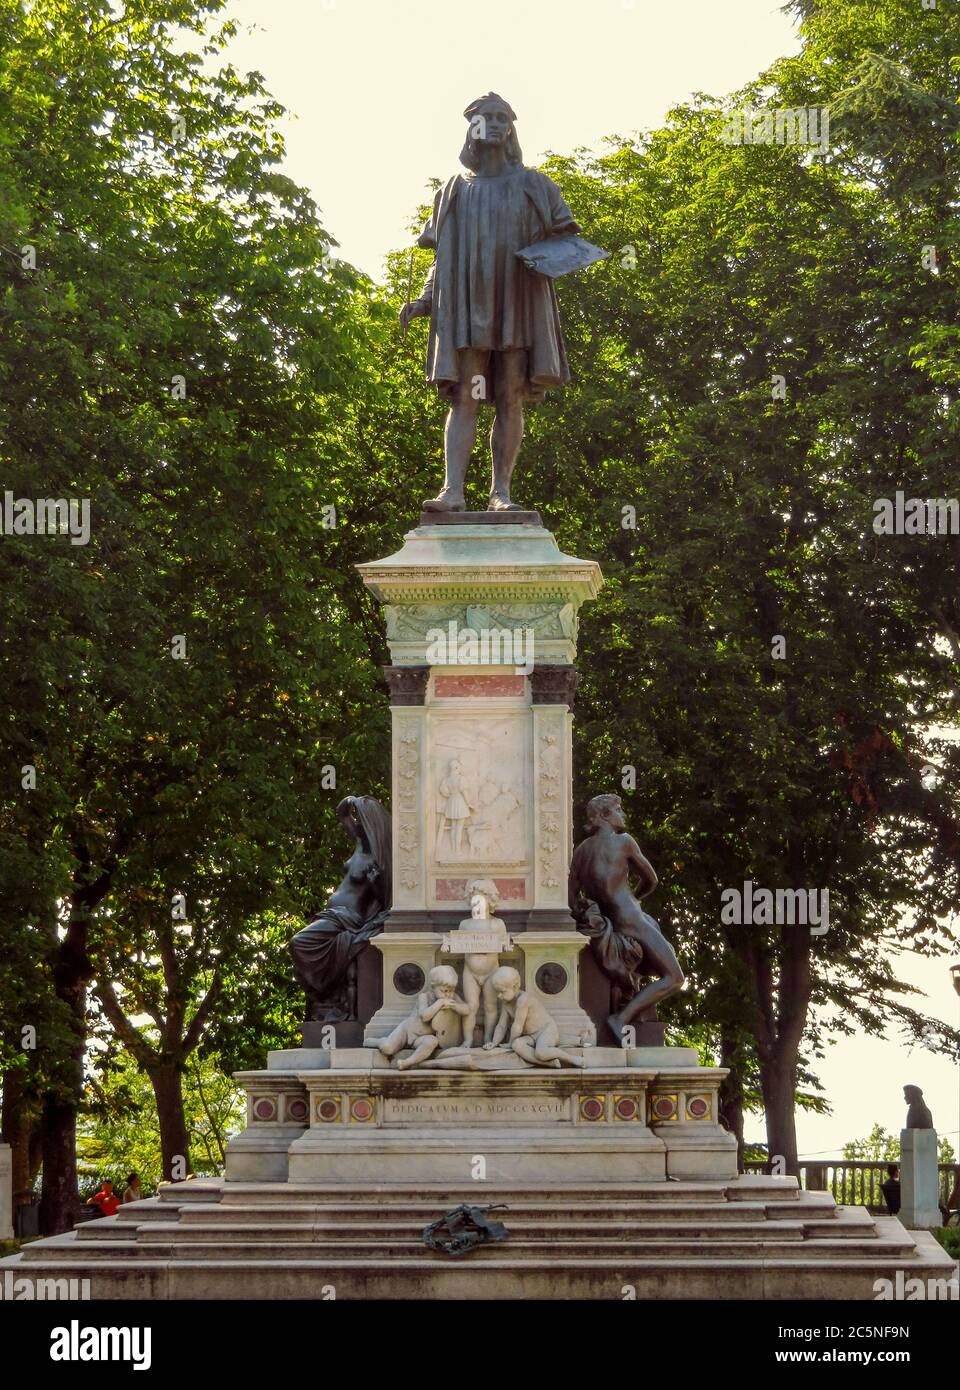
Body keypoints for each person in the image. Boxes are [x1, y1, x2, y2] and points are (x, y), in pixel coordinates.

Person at [400, 93, 580, 513]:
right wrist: (426, 299)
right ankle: (453, 491)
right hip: (466, 306)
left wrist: (548, 257)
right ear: (472, 129)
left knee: (509, 394)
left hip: (517, 300)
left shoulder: (535, 185)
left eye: (503, 117)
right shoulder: (453, 191)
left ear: (512, 128)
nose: (495, 124)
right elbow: (442, 256)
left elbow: (567, 240)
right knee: (465, 395)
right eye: (486, 118)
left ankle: (501, 493)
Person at [569, 793, 684, 1042]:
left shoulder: (580, 852)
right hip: (632, 920)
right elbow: (651, 879)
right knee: (675, 978)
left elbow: (571, 897)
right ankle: (621, 1018)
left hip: (610, 922)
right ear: (604, 816)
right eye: (619, 809)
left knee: (655, 963)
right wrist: (635, 900)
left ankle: (629, 1011)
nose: (624, 815)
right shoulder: (624, 841)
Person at [289, 795, 392, 1022]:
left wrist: (376, 882)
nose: (359, 824)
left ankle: (323, 990)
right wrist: (350, 802)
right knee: (300, 946)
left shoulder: (378, 858)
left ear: (372, 823)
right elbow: (342, 814)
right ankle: (324, 995)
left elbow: (386, 900)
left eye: (363, 819)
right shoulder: (360, 843)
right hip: (332, 915)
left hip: (348, 918)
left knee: (299, 943)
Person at [484, 966, 585, 1068]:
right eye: (497, 992)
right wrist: (494, 1042)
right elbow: (502, 1025)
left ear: (515, 987)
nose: (499, 996)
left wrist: (510, 1043)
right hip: (531, 1036)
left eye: (502, 991)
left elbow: (517, 1026)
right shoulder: (506, 1003)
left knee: (541, 1052)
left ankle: (573, 1059)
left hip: (546, 1030)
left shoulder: (523, 1000)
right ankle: (549, 1063)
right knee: (517, 1045)